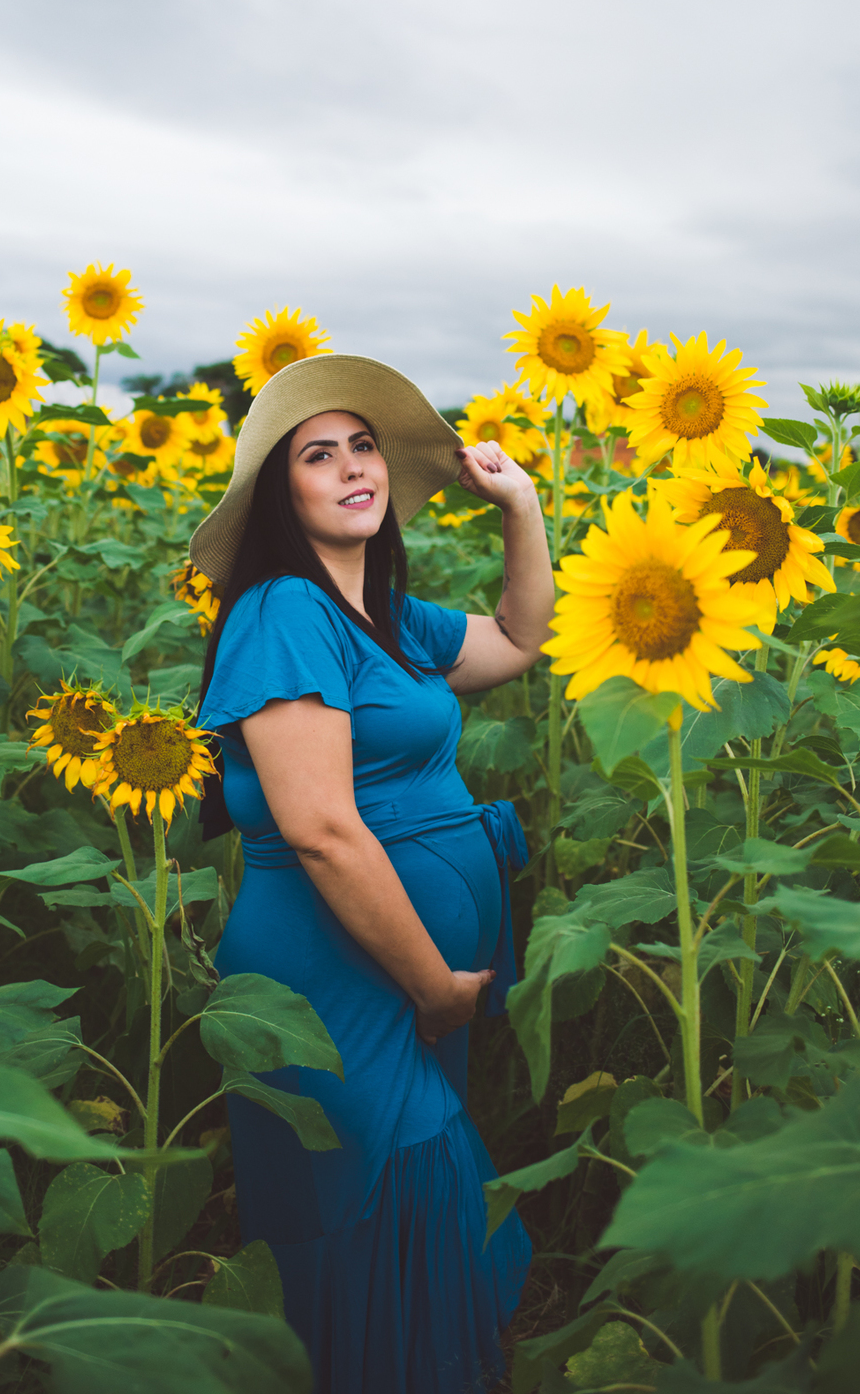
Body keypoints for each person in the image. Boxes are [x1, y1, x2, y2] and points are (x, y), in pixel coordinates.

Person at [191, 353, 555, 1394]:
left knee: (412, 1204)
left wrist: (520, 505)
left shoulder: (382, 614)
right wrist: (435, 984)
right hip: (338, 978)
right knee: (389, 1201)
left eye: (364, 447)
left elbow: (522, 637)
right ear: (280, 491)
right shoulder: (282, 613)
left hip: (396, 975)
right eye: (320, 454)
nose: (354, 466)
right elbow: (323, 833)